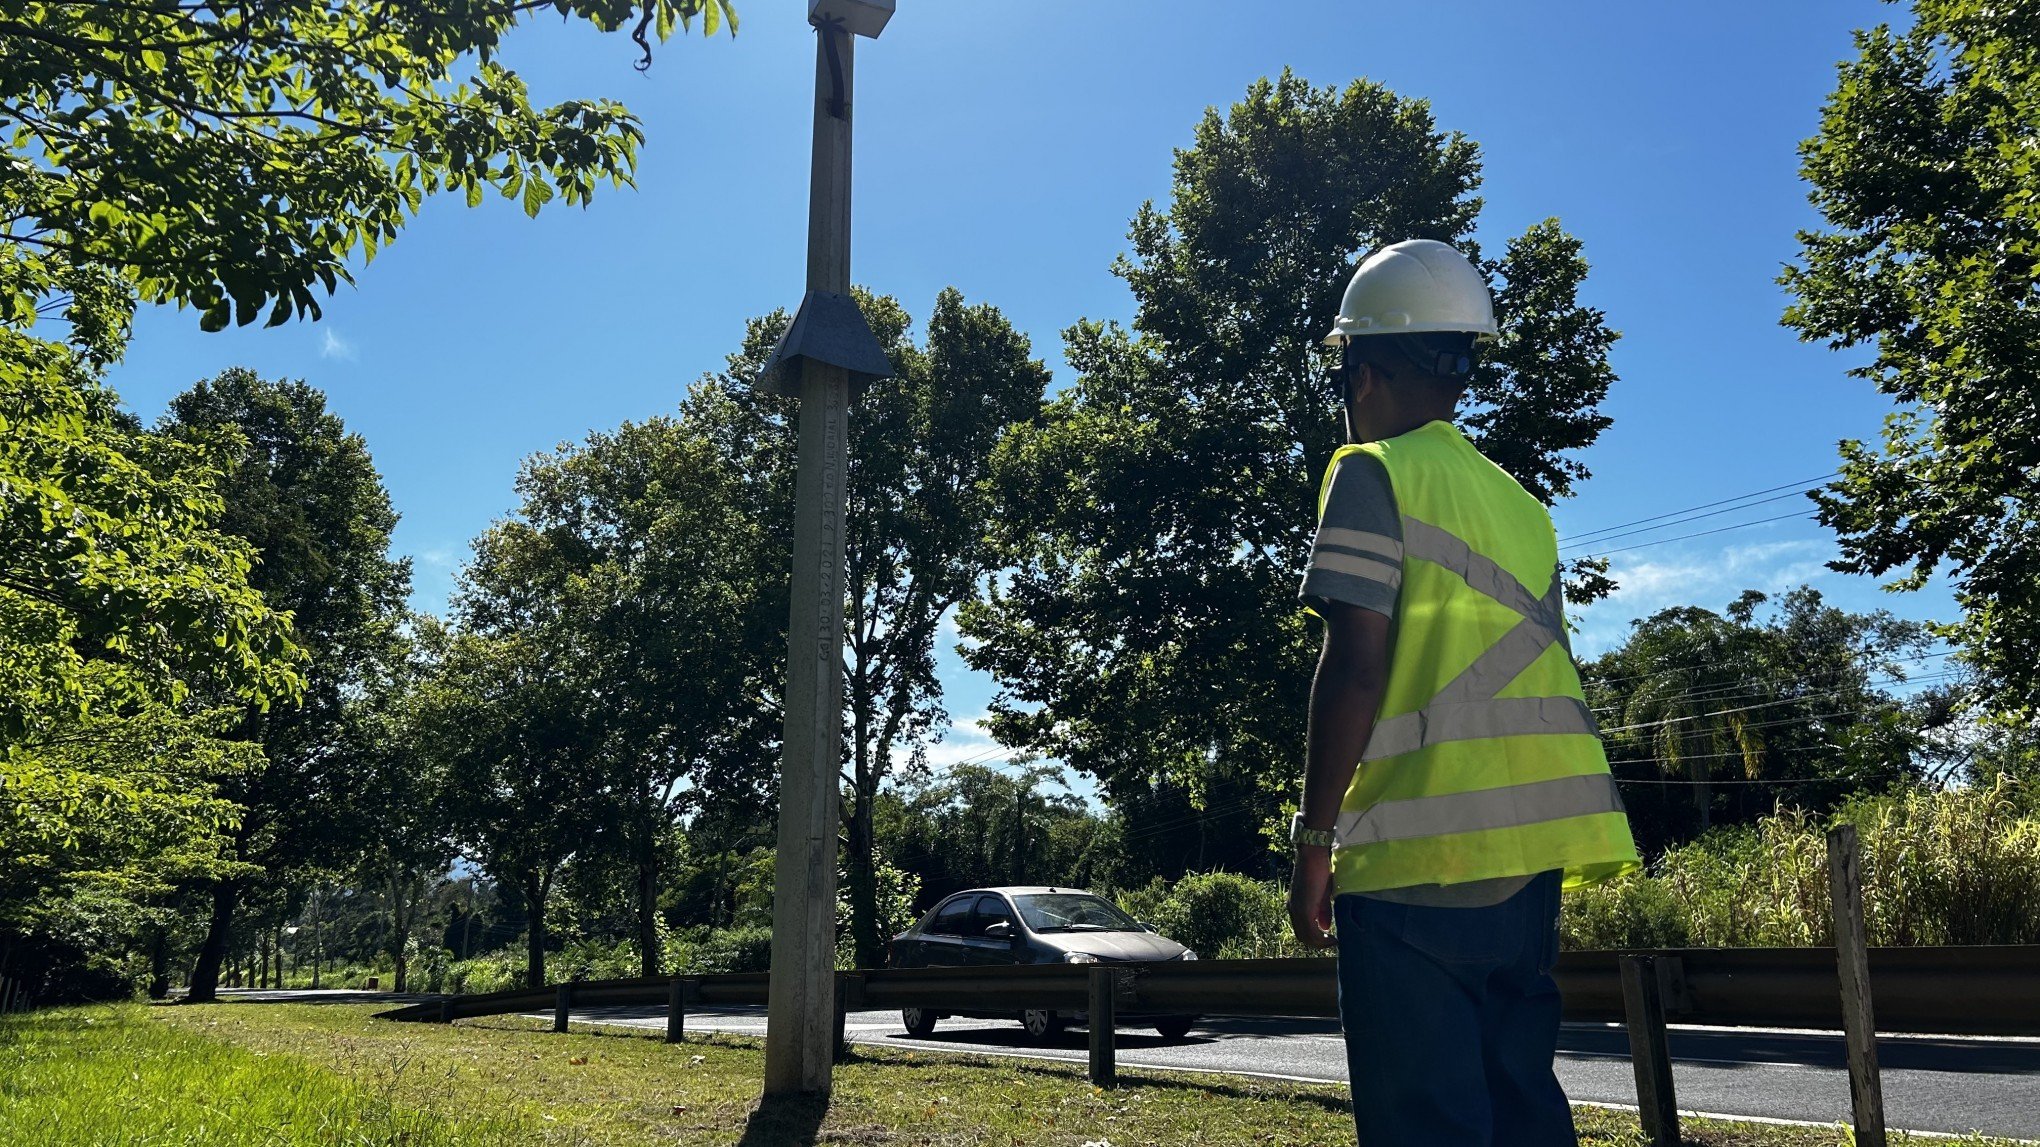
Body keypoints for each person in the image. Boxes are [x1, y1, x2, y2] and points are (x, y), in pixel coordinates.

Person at [1286, 239, 1641, 1146]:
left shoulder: (1373, 472)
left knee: (1426, 1125)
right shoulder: (1522, 507)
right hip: (1529, 872)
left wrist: (1313, 837)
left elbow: (1357, 665)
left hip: (1412, 871)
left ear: (1362, 372)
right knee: (1521, 1108)